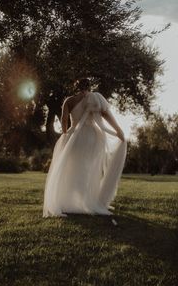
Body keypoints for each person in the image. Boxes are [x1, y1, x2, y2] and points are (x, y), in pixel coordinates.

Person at [43, 78, 127, 217]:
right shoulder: (95, 98)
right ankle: (86, 201)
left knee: (72, 168)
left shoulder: (69, 101)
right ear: (89, 86)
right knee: (88, 168)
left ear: (76, 87)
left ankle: (70, 201)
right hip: (92, 136)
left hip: (74, 136)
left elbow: (64, 121)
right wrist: (118, 130)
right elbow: (106, 115)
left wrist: (66, 134)